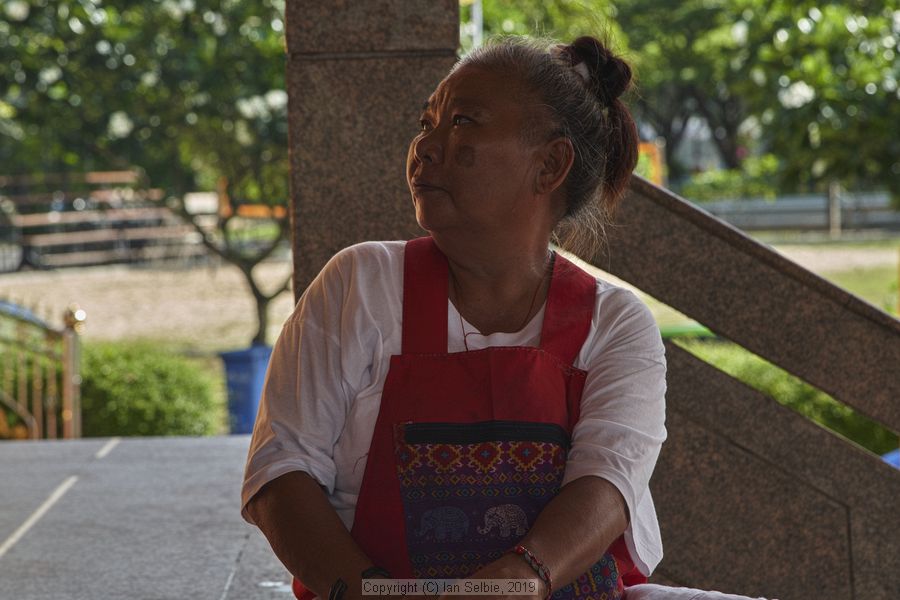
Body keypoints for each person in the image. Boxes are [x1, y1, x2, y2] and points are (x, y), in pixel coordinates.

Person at [240, 35, 770, 600]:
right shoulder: (360, 284)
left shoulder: (614, 323)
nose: (425, 147)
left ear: (551, 165)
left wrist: (515, 584)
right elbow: (281, 471)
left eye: (463, 122)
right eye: (427, 123)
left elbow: (609, 484)